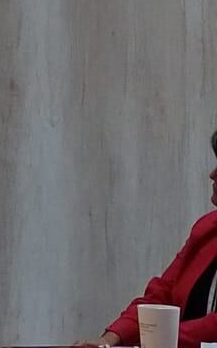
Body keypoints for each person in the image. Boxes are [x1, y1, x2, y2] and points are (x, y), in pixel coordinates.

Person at [75, 130, 217, 348]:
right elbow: (160, 297)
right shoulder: (207, 229)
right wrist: (109, 341)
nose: (212, 174)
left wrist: (156, 340)